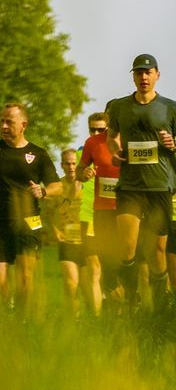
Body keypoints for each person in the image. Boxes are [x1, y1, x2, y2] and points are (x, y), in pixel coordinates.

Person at [0, 102, 59, 310]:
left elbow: (57, 186)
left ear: (23, 125)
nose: (4, 126)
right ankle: (6, 312)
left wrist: (43, 192)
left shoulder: (38, 154)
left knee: (26, 279)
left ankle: (21, 321)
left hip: (28, 223)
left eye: (10, 122)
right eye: (2, 121)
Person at [102, 55, 176, 310]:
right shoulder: (120, 107)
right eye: (139, 73)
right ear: (133, 76)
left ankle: (160, 303)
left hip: (160, 186)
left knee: (157, 252)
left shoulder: (170, 107)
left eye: (148, 72)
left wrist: (173, 144)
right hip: (130, 186)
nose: (143, 77)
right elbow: (112, 137)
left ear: (157, 75)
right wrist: (114, 151)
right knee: (127, 246)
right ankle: (131, 300)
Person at [78, 110, 119, 307]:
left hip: (126, 210)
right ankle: (105, 307)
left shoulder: (125, 141)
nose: (95, 134)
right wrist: (83, 173)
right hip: (98, 213)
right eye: (91, 130)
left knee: (124, 259)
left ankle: (129, 304)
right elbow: (77, 172)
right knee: (100, 263)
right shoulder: (90, 145)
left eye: (100, 129)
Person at [56, 145, 94, 314]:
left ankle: (93, 320)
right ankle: (74, 322)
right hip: (67, 240)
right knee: (71, 283)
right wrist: (55, 231)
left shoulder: (89, 185)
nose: (71, 167)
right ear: (62, 165)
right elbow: (50, 212)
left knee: (88, 287)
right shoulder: (57, 186)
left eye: (74, 163)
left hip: (88, 238)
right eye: (67, 164)